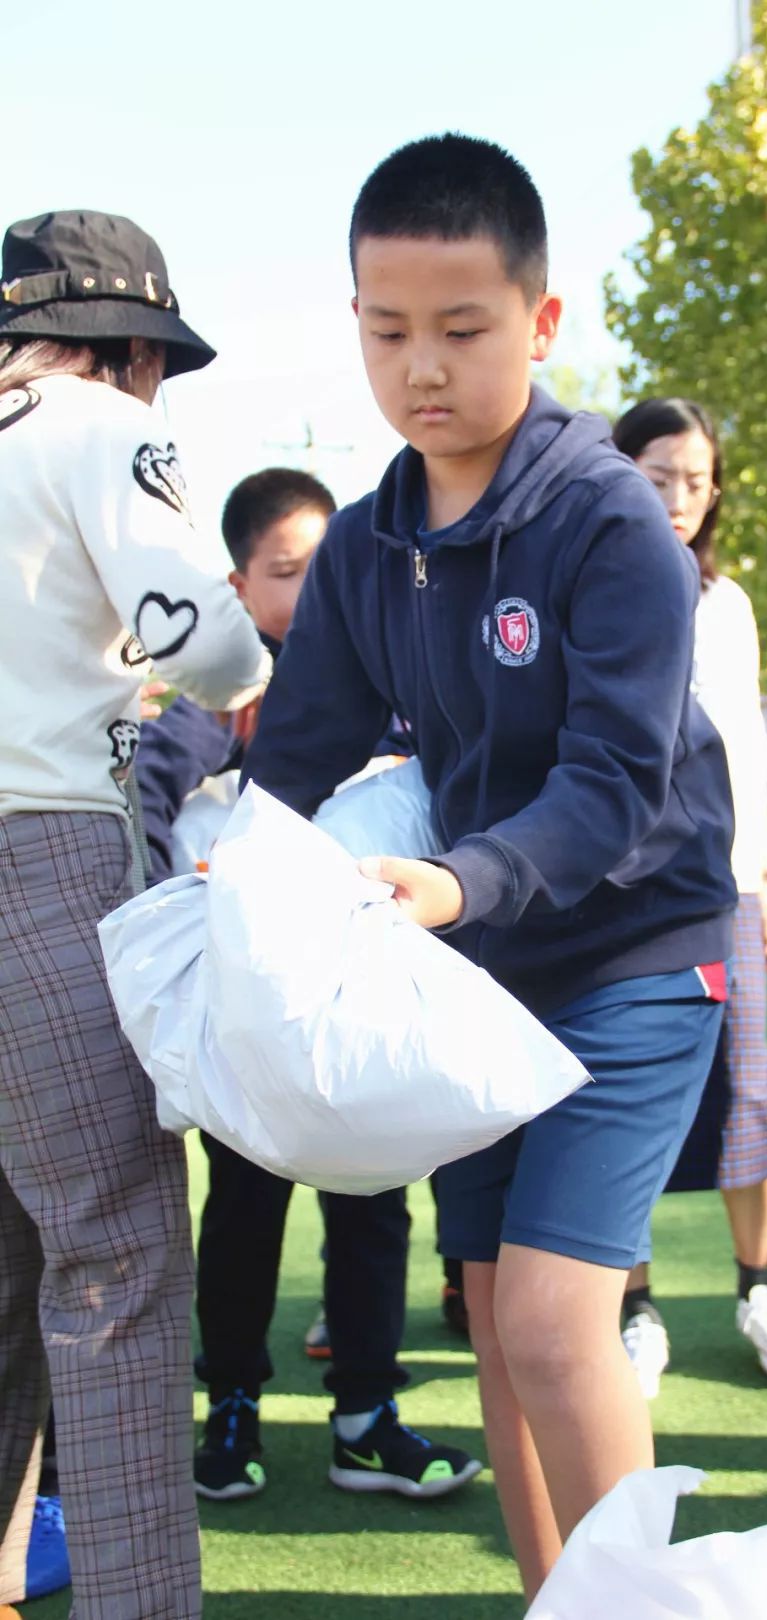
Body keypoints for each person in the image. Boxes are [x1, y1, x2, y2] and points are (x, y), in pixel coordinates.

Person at [241, 133, 737, 1601]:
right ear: (355, 327)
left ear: (542, 322)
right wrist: (225, 871)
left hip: (642, 954)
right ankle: (558, 1595)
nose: (423, 367)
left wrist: (456, 885)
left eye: (462, 329)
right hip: (480, 975)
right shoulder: (366, 541)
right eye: (388, 331)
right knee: (491, 1317)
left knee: (551, 1323)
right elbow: (296, 755)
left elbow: (609, 786)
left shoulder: (610, 526)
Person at [0, 210, 270, 1617]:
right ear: (127, 347)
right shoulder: (95, 426)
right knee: (112, 1273)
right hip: (40, 855)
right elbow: (213, 645)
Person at [136, 467, 481, 1502]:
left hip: (364, 996)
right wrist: (182, 906)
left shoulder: (391, 675)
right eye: (290, 570)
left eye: (332, 561)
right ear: (239, 589)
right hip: (257, 1010)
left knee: (375, 1198)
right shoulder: (223, 701)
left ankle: (367, 1414)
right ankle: (231, 1402)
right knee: (244, 1203)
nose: (317, 584)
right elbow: (149, 790)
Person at [612, 399, 767, 1397]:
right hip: (621, 889)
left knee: (747, 1088)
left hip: (728, 882)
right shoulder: (597, 588)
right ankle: (635, 1309)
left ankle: (758, 1289)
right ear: (623, 476)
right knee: (629, 1095)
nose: (683, 498)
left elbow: (747, 746)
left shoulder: (726, 603)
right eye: (661, 477)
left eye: (699, 480)